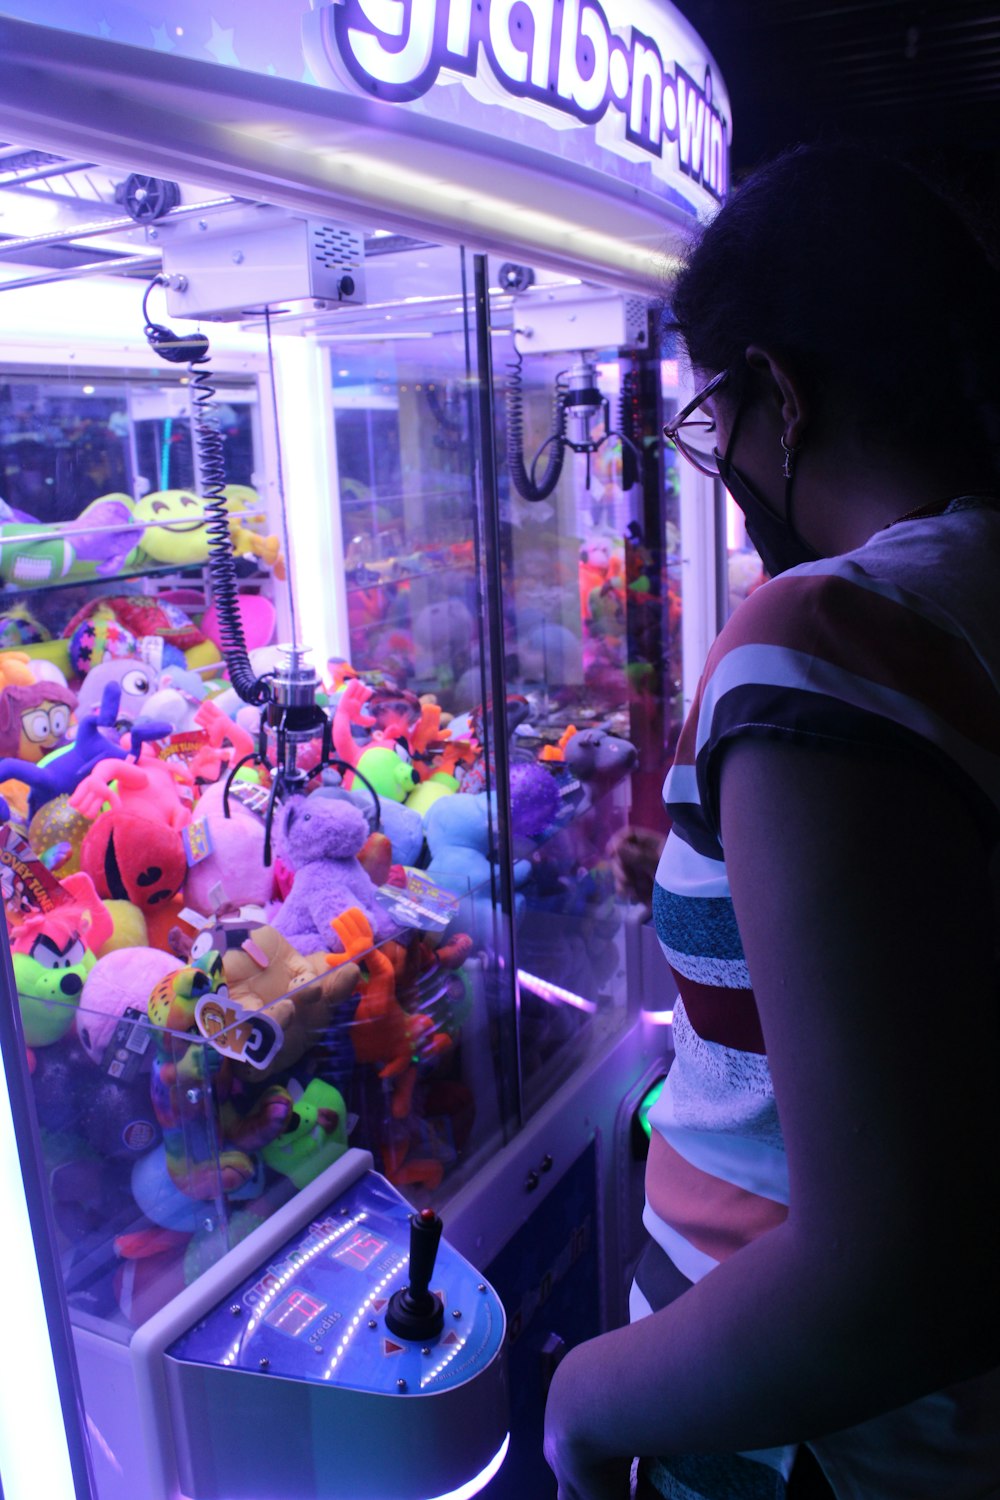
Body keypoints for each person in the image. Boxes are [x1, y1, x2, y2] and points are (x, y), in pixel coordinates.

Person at [543, 142, 1000, 1500]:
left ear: (780, 398)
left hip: (823, 1448)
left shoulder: (827, 633)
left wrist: (587, 1399)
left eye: (712, 421)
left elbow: (893, 1273)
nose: (721, 465)